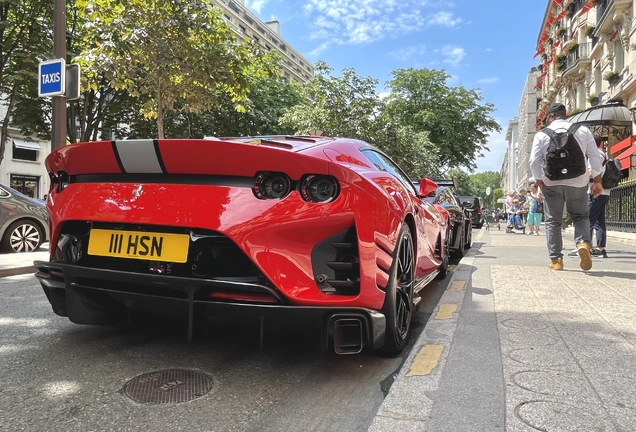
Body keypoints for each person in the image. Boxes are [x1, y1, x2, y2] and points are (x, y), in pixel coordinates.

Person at [529, 103, 604, 271]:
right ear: (565, 115)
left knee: (553, 221)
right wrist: (597, 181)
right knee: (581, 216)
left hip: (552, 183)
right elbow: (594, 157)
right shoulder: (582, 130)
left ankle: (556, 260)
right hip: (578, 181)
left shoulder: (542, 135)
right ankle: (583, 243)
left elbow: (533, 161)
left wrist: (538, 180)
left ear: (550, 117)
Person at [588, 136, 611, 258]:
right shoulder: (603, 154)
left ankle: (585, 247)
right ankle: (601, 249)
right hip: (604, 192)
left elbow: (591, 173)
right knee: (599, 221)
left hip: (596, 191)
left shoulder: (595, 154)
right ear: (601, 143)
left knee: (588, 219)